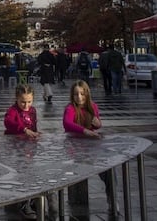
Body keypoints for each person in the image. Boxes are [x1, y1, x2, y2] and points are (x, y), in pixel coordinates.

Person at [63, 80, 117, 216]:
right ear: (72, 96)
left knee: (109, 170)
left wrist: (98, 124)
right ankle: (75, 203)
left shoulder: (93, 106)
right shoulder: (70, 108)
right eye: (76, 94)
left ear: (87, 94)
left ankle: (112, 198)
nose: (79, 97)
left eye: (82, 94)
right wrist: (84, 131)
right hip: (75, 148)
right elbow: (67, 123)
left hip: (92, 148)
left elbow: (97, 123)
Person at [4, 84, 41, 219]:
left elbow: (34, 126)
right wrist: (24, 130)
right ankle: (22, 203)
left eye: (29, 102)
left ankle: (28, 201)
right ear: (16, 99)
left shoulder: (33, 110)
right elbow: (8, 123)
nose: (26, 105)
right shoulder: (13, 110)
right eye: (23, 102)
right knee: (20, 174)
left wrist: (36, 133)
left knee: (29, 174)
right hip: (15, 148)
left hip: (29, 148)